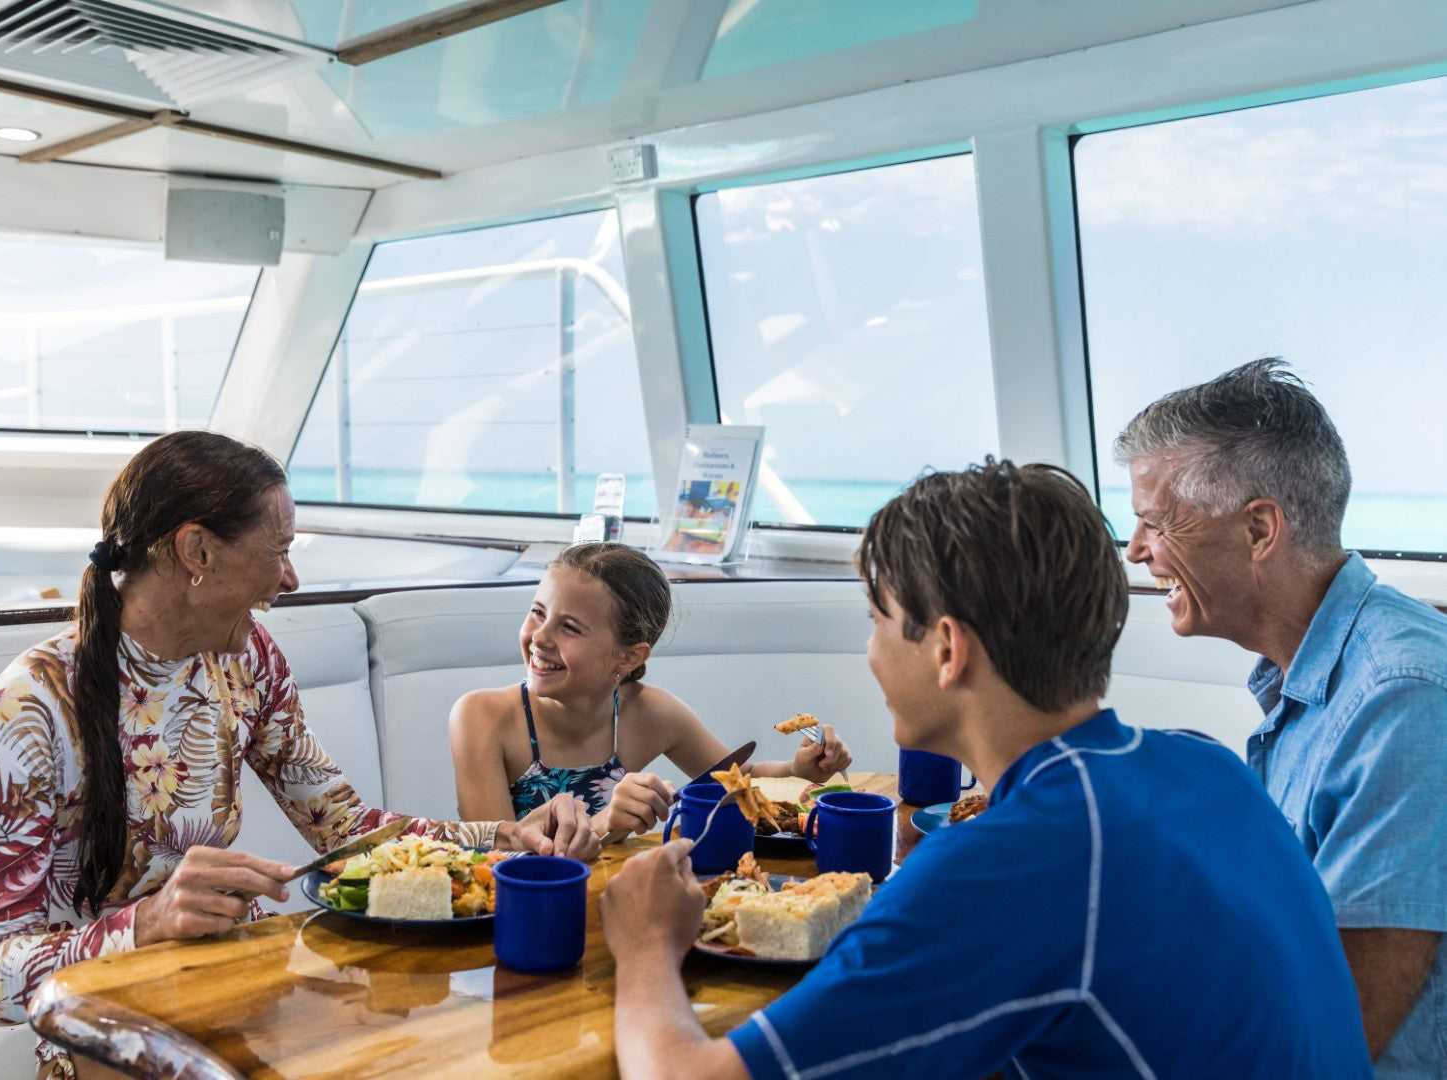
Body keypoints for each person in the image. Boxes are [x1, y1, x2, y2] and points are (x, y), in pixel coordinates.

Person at [602, 459, 1371, 1078]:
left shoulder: (1014, 858)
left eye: (876, 621)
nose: (870, 651)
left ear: (948, 649)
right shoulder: (1208, 768)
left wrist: (643, 946)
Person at [0, 431, 596, 1080]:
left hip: (243, 988)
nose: (291, 578)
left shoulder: (249, 659)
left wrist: (501, 839)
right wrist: (147, 922)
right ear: (197, 551)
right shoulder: (24, 713)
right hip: (109, 1033)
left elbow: (347, 831)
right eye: (280, 550)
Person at [1115, 358, 1446, 1075]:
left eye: (1154, 522)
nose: (1137, 550)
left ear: (1260, 529)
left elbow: (1337, 1035)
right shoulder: (1312, 675)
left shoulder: (1402, 698)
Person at [449, 541, 851, 839]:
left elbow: (736, 780)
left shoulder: (652, 714)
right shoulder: (482, 718)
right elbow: (489, 857)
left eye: (569, 627)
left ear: (628, 657)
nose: (540, 637)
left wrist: (797, 770)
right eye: (538, 612)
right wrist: (603, 824)